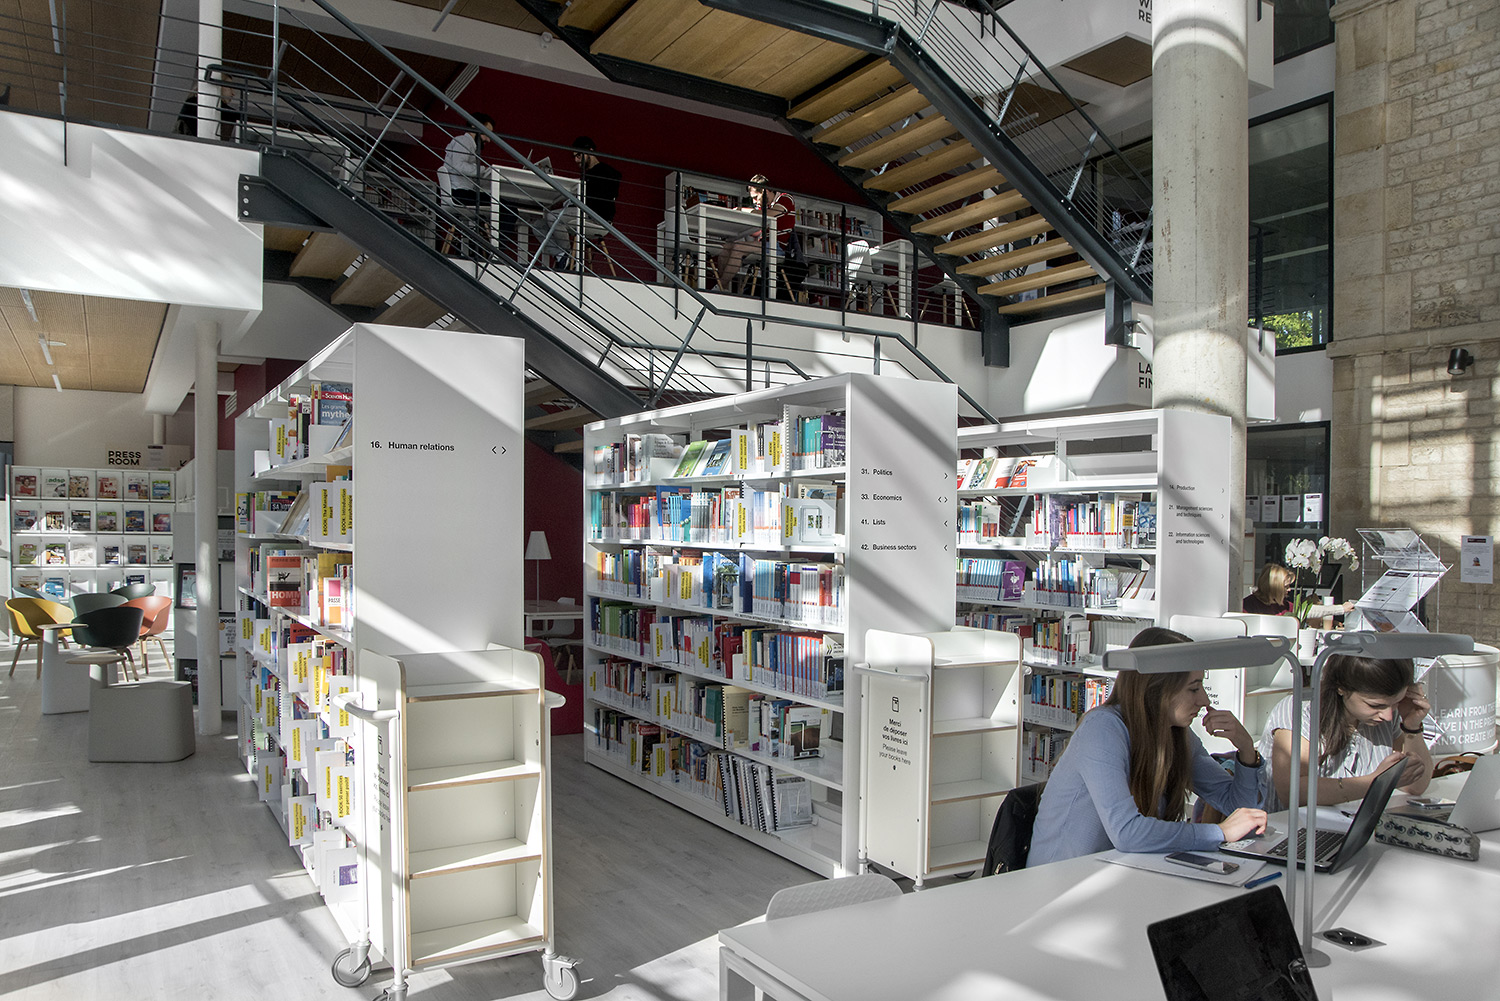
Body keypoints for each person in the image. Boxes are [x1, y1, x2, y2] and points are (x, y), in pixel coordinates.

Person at [1028, 627, 1268, 867]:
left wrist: (1246, 750)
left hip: (1121, 870)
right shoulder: (1102, 728)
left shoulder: (1176, 734)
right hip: (1062, 878)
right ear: (1157, 689)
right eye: (1194, 688)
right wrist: (1220, 833)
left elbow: (1240, 811)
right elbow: (1126, 832)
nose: (1204, 700)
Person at [1256, 653, 1431, 811]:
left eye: (1396, 702)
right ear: (1342, 688)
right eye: (1375, 705)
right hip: (1293, 829)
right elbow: (1293, 793)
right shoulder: (1300, 712)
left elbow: (1414, 786)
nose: (1387, 715)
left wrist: (1411, 726)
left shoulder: (1389, 716)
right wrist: (1376, 782)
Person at [537, 136, 623, 271]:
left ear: (590, 151)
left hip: (597, 217)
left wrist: (578, 197)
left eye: (578, 155)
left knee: (553, 217)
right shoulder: (587, 175)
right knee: (538, 224)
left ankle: (566, 258)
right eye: (574, 157)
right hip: (584, 213)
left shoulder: (605, 172)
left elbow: (602, 197)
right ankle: (562, 256)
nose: (576, 160)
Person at [714, 174, 796, 292]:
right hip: (765, 244)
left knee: (738, 248)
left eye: (756, 197)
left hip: (779, 247)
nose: (754, 201)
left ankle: (720, 287)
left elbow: (771, 214)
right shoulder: (765, 206)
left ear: (765, 191)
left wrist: (742, 210)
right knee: (726, 247)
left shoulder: (785, 198)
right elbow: (756, 232)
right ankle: (724, 288)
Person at [437, 113, 495, 259]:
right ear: (474, 127)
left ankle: (491, 249)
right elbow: (459, 166)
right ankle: (497, 251)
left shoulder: (467, 144)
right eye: (486, 133)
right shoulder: (464, 141)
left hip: (459, 193)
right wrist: (483, 170)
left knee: (496, 204)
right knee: (504, 207)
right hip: (460, 194)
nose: (488, 139)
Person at [1243, 562, 1355, 619]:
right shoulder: (1248, 606)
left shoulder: (1283, 605)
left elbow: (1307, 611)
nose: (1289, 589)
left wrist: (1341, 609)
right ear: (1274, 587)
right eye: (1286, 586)